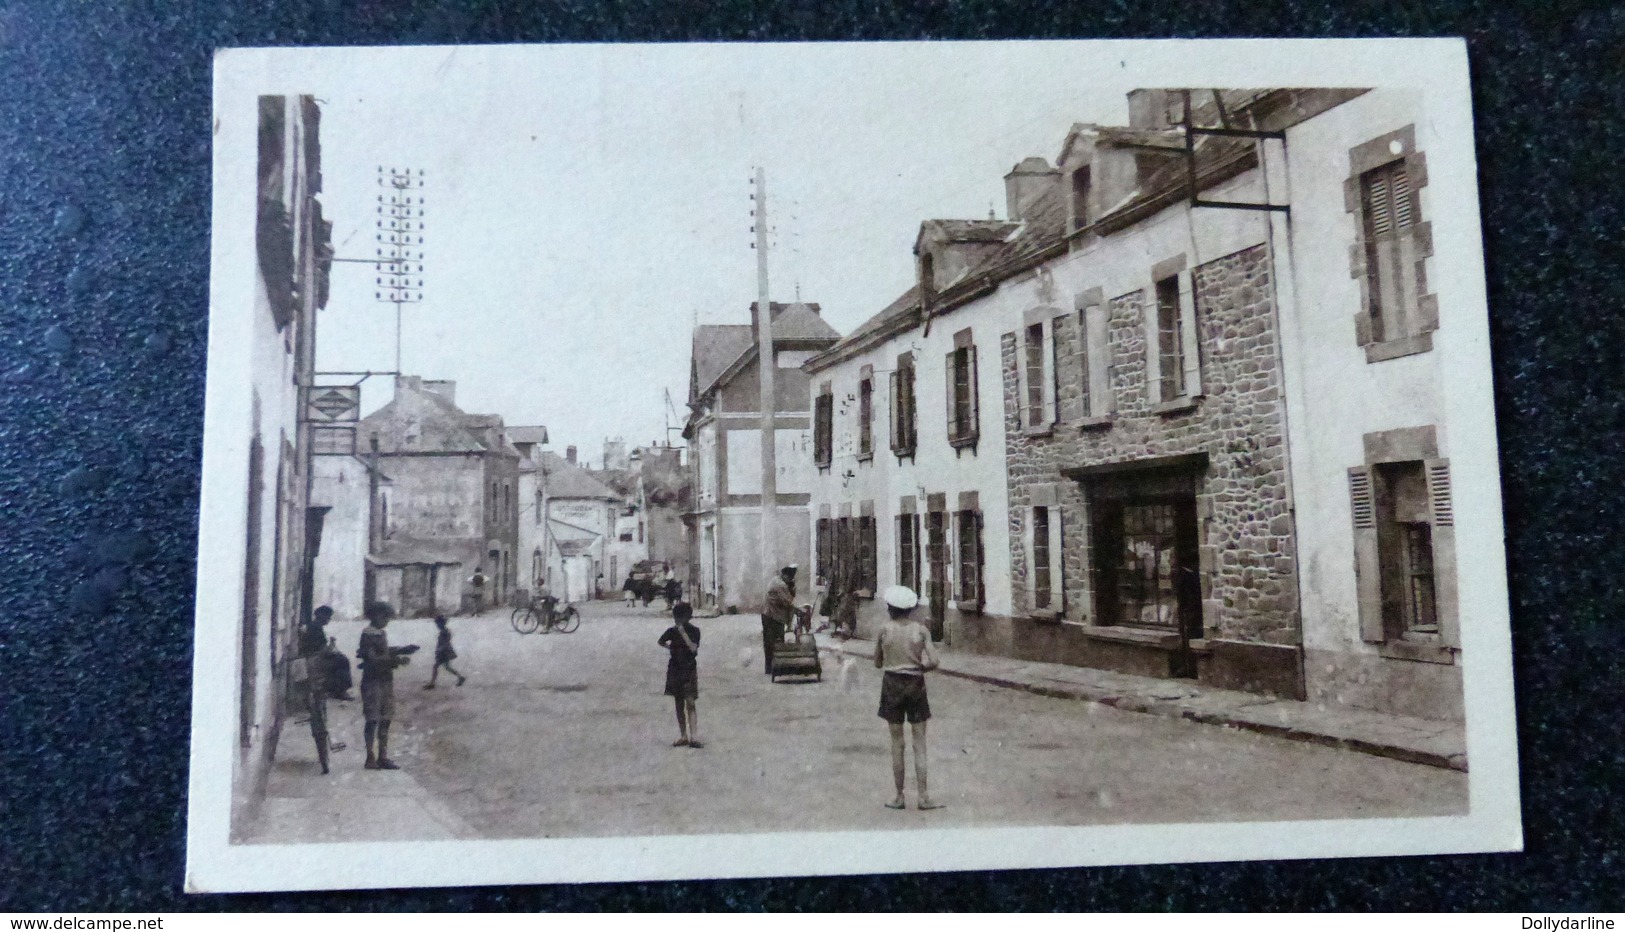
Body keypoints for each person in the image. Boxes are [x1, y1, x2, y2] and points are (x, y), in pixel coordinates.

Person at [874, 585, 942, 811]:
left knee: (897, 743)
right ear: (911, 609)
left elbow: (877, 662)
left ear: (889, 609)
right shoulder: (921, 631)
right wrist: (920, 667)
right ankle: (923, 797)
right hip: (915, 683)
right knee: (919, 742)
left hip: (892, 684)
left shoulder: (884, 630)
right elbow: (934, 660)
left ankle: (898, 796)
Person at [357, 601, 416, 770]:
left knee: (385, 718)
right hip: (373, 680)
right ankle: (371, 756)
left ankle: (382, 756)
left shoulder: (379, 632)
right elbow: (373, 658)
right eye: (385, 617)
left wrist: (402, 650)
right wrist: (396, 659)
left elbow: (382, 652)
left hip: (384, 679)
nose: (387, 621)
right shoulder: (368, 634)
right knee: (373, 719)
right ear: (375, 616)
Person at [658, 601, 703, 748]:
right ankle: (683, 735)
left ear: (688, 617)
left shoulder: (695, 631)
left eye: (679, 617)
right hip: (675, 668)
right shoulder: (671, 631)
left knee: (690, 701)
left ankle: (694, 736)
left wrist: (682, 632)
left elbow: (693, 649)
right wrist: (670, 647)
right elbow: (660, 641)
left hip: (689, 668)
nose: (677, 620)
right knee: (678, 703)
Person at [298, 606, 337, 774]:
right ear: (320, 616)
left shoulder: (311, 628)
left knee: (316, 712)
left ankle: (323, 754)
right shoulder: (317, 630)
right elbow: (323, 652)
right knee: (319, 715)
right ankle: (323, 759)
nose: (328, 619)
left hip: (309, 673)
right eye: (327, 616)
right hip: (315, 672)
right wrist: (332, 645)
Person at [761, 564, 798, 675]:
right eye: (790, 578)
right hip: (773, 616)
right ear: (785, 576)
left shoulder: (777, 581)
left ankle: (771, 667)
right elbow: (788, 602)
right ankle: (775, 667)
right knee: (775, 643)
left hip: (771, 615)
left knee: (769, 643)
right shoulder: (780, 585)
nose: (791, 580)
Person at [423, 615, 466, 689]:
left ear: (442, 623)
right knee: (446, 667)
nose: (437, 625)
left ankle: (432, 683)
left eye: (438, 624)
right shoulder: (444, 631)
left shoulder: (444, 632)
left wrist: (440, 649)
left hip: (444, 652)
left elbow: (445, 642)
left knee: (437, 666)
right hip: (444, 651)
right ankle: (460, 677)